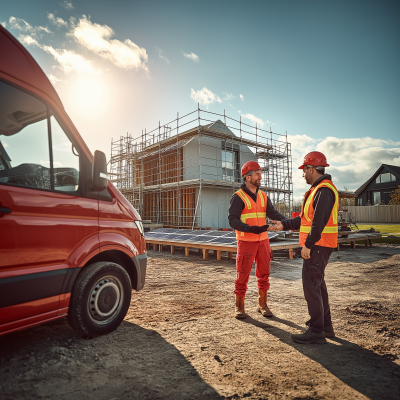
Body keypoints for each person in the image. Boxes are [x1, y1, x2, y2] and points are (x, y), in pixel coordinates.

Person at [270, 151, 338, 344]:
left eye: (304, 170)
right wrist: (284, 224)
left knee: (311, 286)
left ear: (311, 168)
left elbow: (318, 224)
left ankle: (316, 331)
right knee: (318, 285)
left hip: (317, 245)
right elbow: (304, 219)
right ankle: (325, 327)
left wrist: (308, 245)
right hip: (320, 245)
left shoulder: (323, 190)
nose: (303, 174)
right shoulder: (318, 190)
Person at [228, 161, 287, 319]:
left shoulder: (263, 195)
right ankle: (239, 306)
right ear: (247, 177)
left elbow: (273, 213)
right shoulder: (238, 197)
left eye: (260, 173)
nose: (260, 177)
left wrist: (287, 222)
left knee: (264, 273)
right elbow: (232, 220)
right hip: (246, 241)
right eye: (257, 174)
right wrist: (249, 229)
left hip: (263, 241)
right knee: (242, 274)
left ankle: (262, 304)